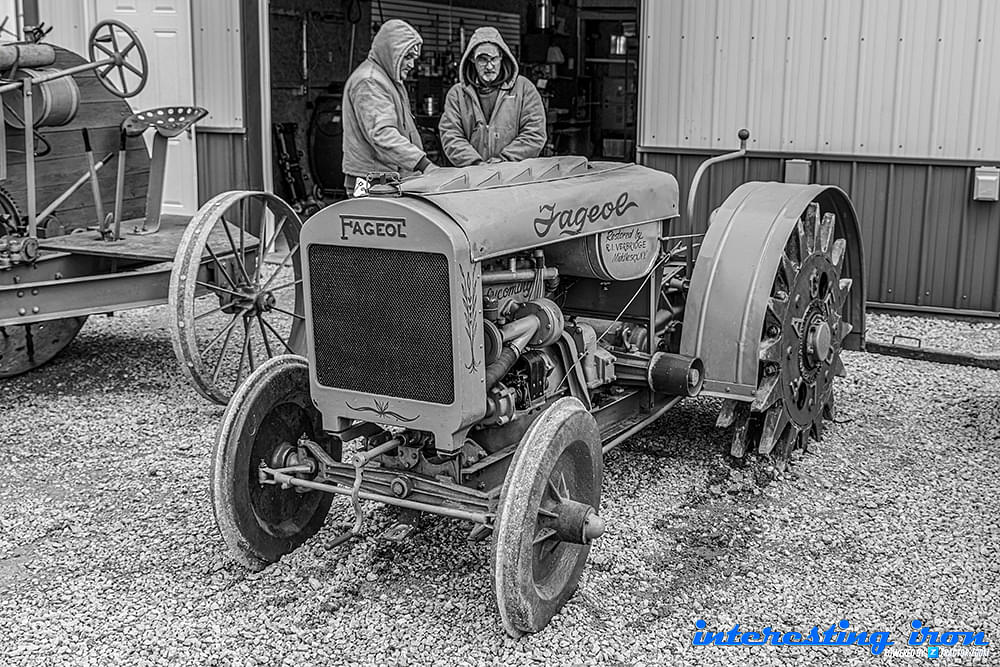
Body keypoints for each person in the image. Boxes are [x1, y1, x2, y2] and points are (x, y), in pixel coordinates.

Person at [342, 19, 437, 196]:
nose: (412, 65)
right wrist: (424, 165)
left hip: (384, 181)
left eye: (414, 58)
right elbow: (382, 133)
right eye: (407, 57)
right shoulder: (370, 82)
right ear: (391, 52)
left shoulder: (387, 80)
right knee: (371, 220)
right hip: (372, 183)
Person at [438, 27, 546, 167]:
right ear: (471, 59)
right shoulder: (457, 94)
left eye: (494, 59)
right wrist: (476, 164)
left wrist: (504, 160)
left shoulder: (524, 88)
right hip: (472, 175)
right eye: (482, 60)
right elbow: (451, 135)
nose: (489, 66)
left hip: (515, 175)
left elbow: (535, 133)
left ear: (502, 57)